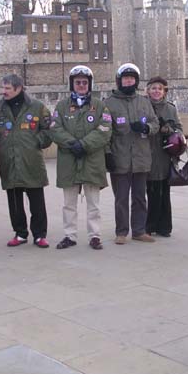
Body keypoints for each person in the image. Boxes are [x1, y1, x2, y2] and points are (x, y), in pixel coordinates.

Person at [50, 65, 112, 250]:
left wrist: (84, 144)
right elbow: (55, 128)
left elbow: (105, 129)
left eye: (85, 82)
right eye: (78, 82)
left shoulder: (99, 106)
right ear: (72, 84)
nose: (81, 85)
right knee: (69, 204)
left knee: (93, 203)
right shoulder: (62, 106)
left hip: (92, 161)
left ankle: (95, 235)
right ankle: (70, 235)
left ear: (90, 84)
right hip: (69, 161)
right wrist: (72, 143)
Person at [0, 74, 52, 248]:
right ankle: (20, 233)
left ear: (18, 88)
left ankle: (40, 235)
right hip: (9, 161)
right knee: (15, 201)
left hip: (31, 161)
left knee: (37, 201)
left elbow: (48, 131)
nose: (4, 92)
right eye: (3, 88)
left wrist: (36, 142)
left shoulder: (37, 107)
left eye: (8, 88)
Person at [104, 63, 159, 244]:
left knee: (139, 197)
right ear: (120, 81)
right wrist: (108, 154)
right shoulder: (109, 103)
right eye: (126, 78)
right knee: (121, 198)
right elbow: (105, 131)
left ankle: (139, 230)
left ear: (136, 81)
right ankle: (121, 231)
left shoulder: (144, 102)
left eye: (132, 78)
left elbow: (155, 124)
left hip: (140, 158)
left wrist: (146, 127)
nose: (129, 81)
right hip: (120, 158)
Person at [145, 76, 183, 237]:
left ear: (164, 91)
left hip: (165, 154)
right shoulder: (143, 106)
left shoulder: (170, 108)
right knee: (150, 191)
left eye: (160, 88)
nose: (156, 91)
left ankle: (164, 226)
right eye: (153, 88)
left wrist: (169, 130)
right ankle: (149, 225)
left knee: (164, 192)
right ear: (148, 91)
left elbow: (179, 129)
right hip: (146, 152)